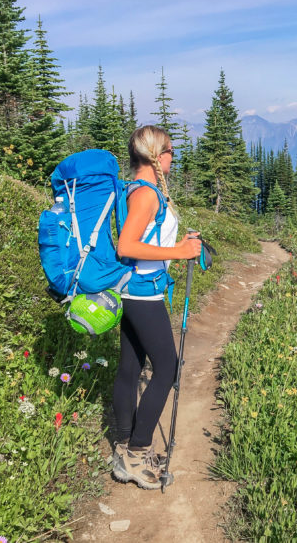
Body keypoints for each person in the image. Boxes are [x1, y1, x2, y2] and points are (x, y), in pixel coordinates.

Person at [111, 125, 201, 490]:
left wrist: (177, 242)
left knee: (130, 367)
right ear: (154, 156)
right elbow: (126, 247)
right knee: (167, 367)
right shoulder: (146, 194)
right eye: (170, 154)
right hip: (142, 295)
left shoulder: (139, 189)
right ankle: (137, 452)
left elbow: (144, 240)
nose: (172, 160)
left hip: (132, 291)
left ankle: (124, 447)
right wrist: (179, 252)